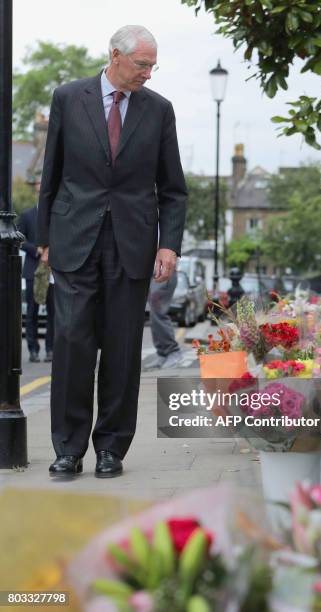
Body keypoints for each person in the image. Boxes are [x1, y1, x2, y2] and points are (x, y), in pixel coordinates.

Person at [36, 25, 187, 478]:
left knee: (122, 349)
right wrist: (44, 236)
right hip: (74, 237)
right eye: (142, 64)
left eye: (152, 66)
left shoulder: (159, 111)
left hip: (133, 243)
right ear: (115, 56)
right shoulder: (68, 97)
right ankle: (67, 448)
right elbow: (52, 171)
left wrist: (169, 245)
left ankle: (111, 449)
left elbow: (173, 189)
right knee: (71, 343)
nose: (148, 73)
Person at [18, 178, 54, 363]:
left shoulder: (56, 215)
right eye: (39, 190)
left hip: (53, 272)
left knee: (53, 313)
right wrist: (37, 250)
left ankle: (50, 350)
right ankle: (33, 350)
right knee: (32, 312)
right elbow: (20, 240)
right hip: (33, 270)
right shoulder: (26, 215)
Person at [147, 270, 183, 369]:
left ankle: (173, 352)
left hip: (162, 268)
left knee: (159, 312)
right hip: (154, 270)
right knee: (154, 313)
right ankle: (162, 354)